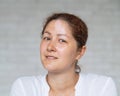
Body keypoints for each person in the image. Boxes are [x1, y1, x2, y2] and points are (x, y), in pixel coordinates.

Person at [10, 13, 118, 96]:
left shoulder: (101, 87)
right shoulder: (24, 88)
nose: (50, 47)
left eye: (62, 40)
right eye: (47, 38)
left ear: (80, 52)